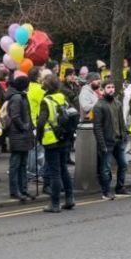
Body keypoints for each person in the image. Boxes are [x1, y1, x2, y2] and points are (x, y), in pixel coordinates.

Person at [37, 74, 76, 212]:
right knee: (64, 169)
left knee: (55, 172)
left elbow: (41, 122)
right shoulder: (62, 97)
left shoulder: (46, 101)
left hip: (51, 140)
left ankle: (54, 204)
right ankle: (70, 199)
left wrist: (39, 137)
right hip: (64, 138)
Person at [92, 79, 128, 199]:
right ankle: (106, 191)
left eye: (112, 87)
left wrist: (124, 135)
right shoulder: (98, 106)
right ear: (102, 90)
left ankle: (120, 188)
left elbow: (121, 121)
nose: (111, 89)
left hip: (119, 140)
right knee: (106, 168)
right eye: (108, 87)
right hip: (107, 141)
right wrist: (102, 144)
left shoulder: (117, 103)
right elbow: (97, 127)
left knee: (123, 164)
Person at [4, 76, 35, 202]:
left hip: (23, 135)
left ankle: (23, 189)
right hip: (18, 135)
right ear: (24, 85)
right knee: (16, 164)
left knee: (23, 164)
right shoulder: (17, 97)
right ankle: (15, 190)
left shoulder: (20, 96)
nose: (29, 86)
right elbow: (15, 116)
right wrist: (24, 126)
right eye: (28, 84)